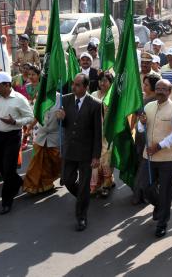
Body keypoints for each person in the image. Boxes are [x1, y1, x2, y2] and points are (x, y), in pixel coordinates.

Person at [137, 79, 172, 237]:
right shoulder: (148, 106)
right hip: (148, 156)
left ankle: (162, 223)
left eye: (163, 89)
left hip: (167, 157)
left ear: (169, 90)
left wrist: (159, 146)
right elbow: (139, 128)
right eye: (157, 88)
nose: (159, 91)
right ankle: (160, 205)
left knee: (165, 191)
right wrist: (142, 123)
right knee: (145, 186)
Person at [56, 73, 102, 231]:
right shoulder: (66, 99)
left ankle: (81, 216)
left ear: (85, 87)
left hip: (86, 152)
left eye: (77, 85)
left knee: (83, 186)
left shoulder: (95, 104)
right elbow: (63, 124)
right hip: (70, 150)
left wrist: (96, 155)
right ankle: (84, 198)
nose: (73, 87)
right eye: (73, 84)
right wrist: (60, 118)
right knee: (67, 180)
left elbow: (98, 132)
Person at [0, 72, 34, 214]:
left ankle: (7, 201)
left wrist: (15, 122)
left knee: (9, 168)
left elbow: (30, 117)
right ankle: (18, 182)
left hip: (13, 136)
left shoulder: (20, 99)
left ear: (7, 85)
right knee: (1, 167)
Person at [23, 92, 61, 194]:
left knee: (54, 161)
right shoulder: (40, 96)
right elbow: (37, 116)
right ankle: (32, 185)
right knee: (36, 161)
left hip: (55, 136)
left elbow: (67, 118)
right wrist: (29, 128)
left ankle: (49, 182)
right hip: (41, 135)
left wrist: (62, 116)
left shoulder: (61, 98)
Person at [132, 73, 161, 205]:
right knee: (139, 164)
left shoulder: (156, 101)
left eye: (147, 84)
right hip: (139, 137)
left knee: (146, 167)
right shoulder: (143, 97)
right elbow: (136, 115)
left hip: (149, 138)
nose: (144, 86)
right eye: (143, 83)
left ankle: (140, 194)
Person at [91, 71, 114, 197]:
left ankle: (106, 183)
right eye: (100, 80)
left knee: (106, 159)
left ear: (111, 83)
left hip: (108, 133)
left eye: (105, 80)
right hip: (95, 132)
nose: (102, 83)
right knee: (96, 158)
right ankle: (95, 185)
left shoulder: (114, 97)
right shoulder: (94, 94)